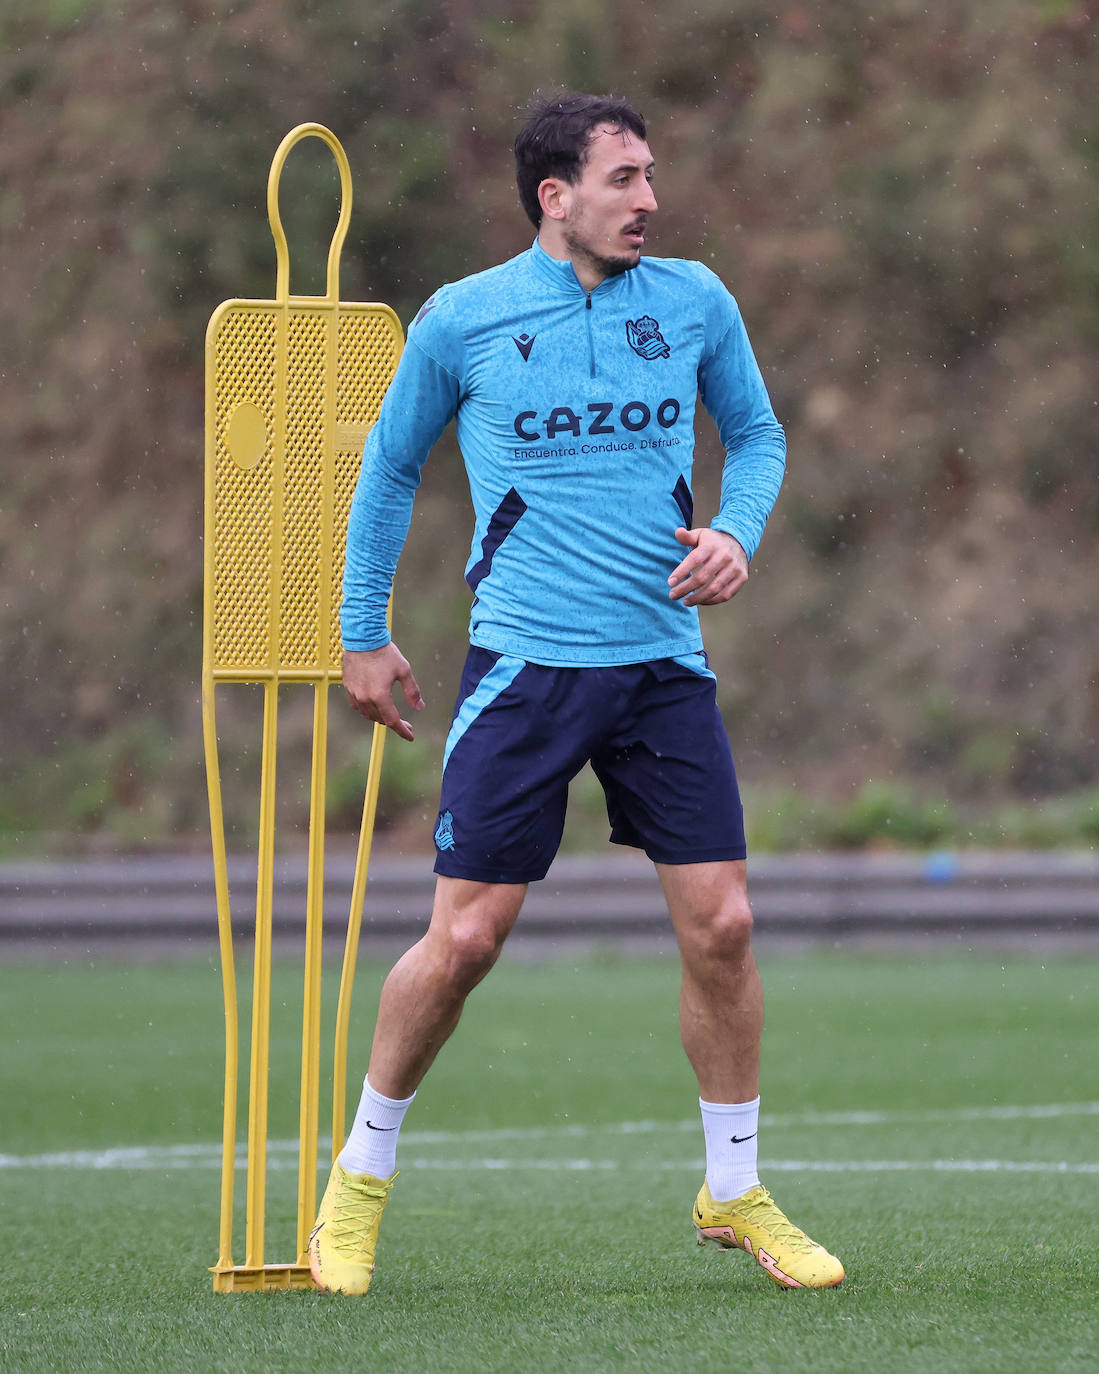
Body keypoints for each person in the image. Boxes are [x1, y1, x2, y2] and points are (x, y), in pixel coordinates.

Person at [308, 91, 844, 1294]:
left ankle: (734, 1187)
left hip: (662, 665)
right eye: (624, 179)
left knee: (726, 926)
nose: (649, 199)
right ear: (555, 197)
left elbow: (755, 436)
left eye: (650, 176)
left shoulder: (695, 300)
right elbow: (389, 470)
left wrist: (737, 534)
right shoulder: (465, 320)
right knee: (464, 942)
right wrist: (363, 636)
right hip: (526, 667)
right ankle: (359, 1178)